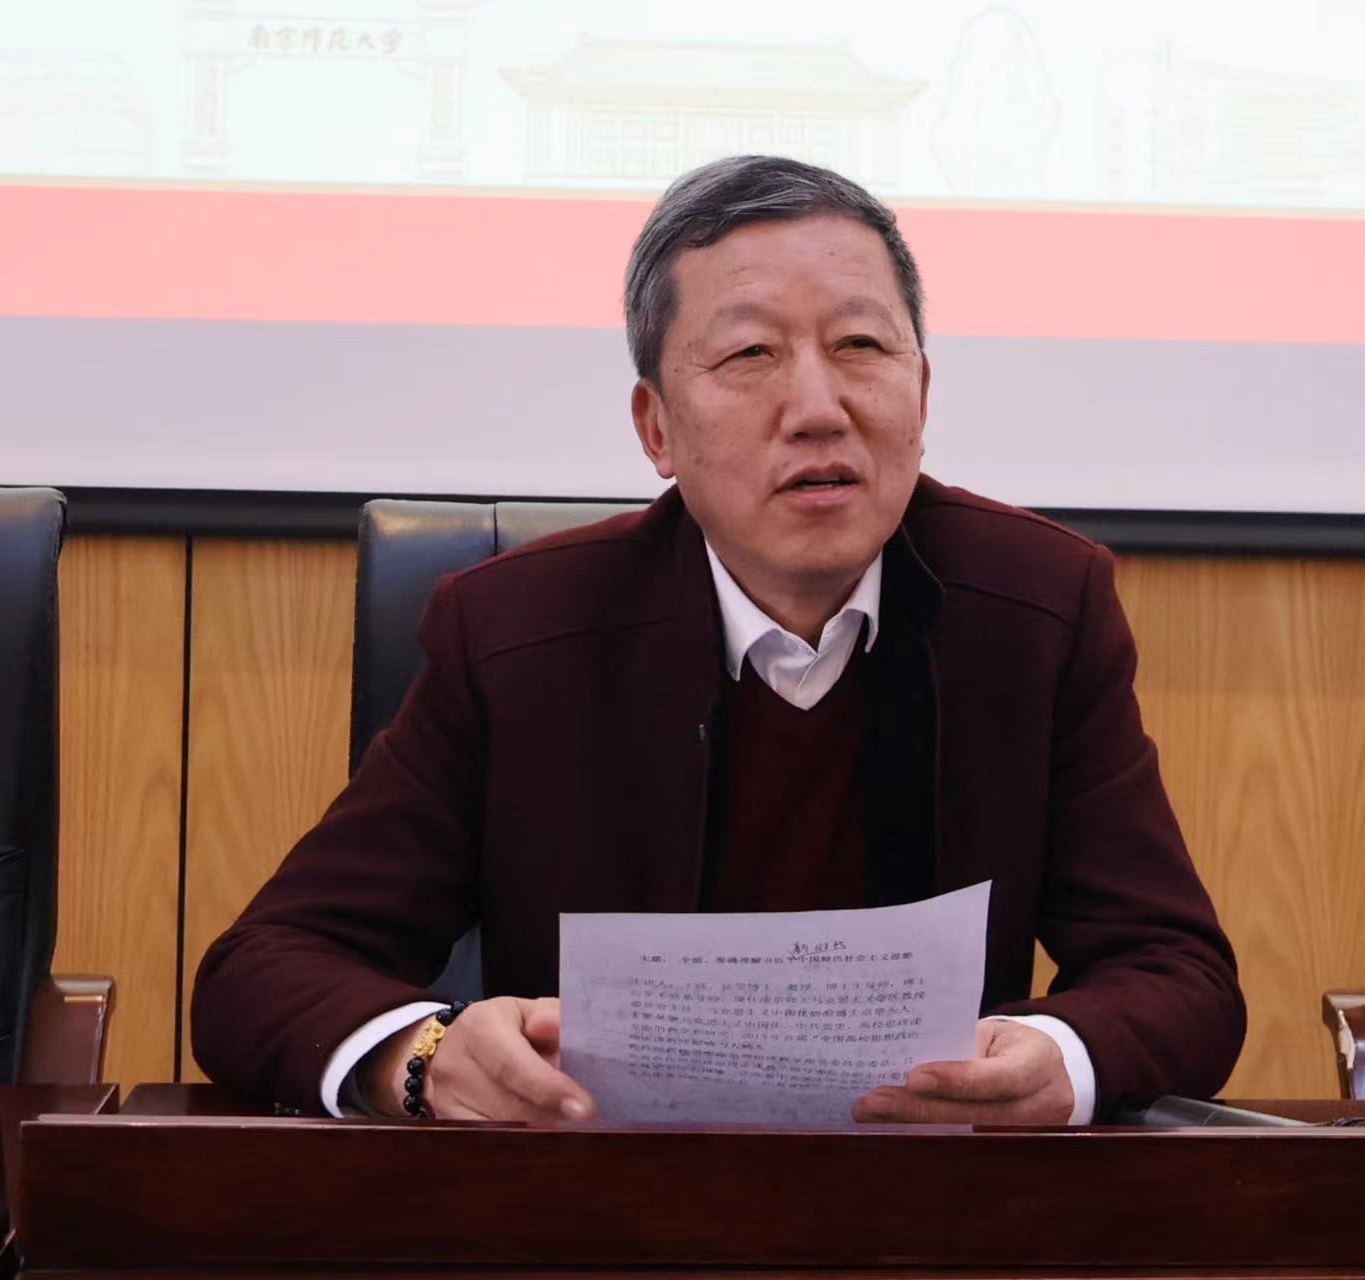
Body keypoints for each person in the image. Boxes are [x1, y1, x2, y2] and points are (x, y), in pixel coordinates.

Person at [191, 155, 1244, 1123]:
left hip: (928, 1205)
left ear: (921, 393)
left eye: (861, 346)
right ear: (656, 428)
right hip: (596, 1208)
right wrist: (423, 1058)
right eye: (750, 354)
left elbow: (1177, 972)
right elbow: (267, 966)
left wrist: (1061, 1057)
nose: (818, 408)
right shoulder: (517, 636)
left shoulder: (1039, 608)